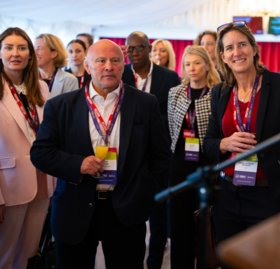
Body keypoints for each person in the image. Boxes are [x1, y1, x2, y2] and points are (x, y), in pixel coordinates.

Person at [30, 39, 171, 269]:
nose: (109, 66)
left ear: (123, 65)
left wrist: (145, 195)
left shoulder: (145, 103)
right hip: (74, 208)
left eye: (115, 61)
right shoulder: (60, 105)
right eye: (101, 61)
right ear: (87, 66)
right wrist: (78, 164)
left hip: (126, 209)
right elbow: (40, 153)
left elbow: (161, 157)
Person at [203, 21, 280, 268]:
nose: (237, 52)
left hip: (268, 195)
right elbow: (207, 144)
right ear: (223, 56)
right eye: (229, 48)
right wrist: (224, 142)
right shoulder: (220, 92)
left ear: (254, 48)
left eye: (242, 45)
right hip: (227, 196)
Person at [121, 31, 180, 269]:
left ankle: (155, 262)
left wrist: (147, 122)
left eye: (139, 48)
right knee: (128, 213)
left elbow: (174, 114)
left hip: (158, 154)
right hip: (127, 155)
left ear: (149, 48)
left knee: (157, 215)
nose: (134, 53)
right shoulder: (120, 73)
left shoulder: (169, 77)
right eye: (129, 49)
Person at [0, 27, 54, 269]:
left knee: (29, 255)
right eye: (9, 47)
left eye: (22, 48)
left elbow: (51, 133)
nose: (15, 53)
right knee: (4, 254)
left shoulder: (41, 88)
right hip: (8, 186)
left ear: (31, 55)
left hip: (42, 182)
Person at [167, 45, 221, 269]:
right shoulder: (175, 92)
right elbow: (171, 127)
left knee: (205, 220)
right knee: (179, 222)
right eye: (188, 64)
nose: (192, 68)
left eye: (197, 63)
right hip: (179, 162)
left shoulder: (218, 92)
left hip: (207, 161)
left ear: (207, 65)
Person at [35, 34, 78, 98]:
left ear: (54, 54)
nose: (35, 52)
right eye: (34, 48)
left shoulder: (69, 80)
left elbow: (69, 107)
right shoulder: (28, 77)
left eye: (40, 48)